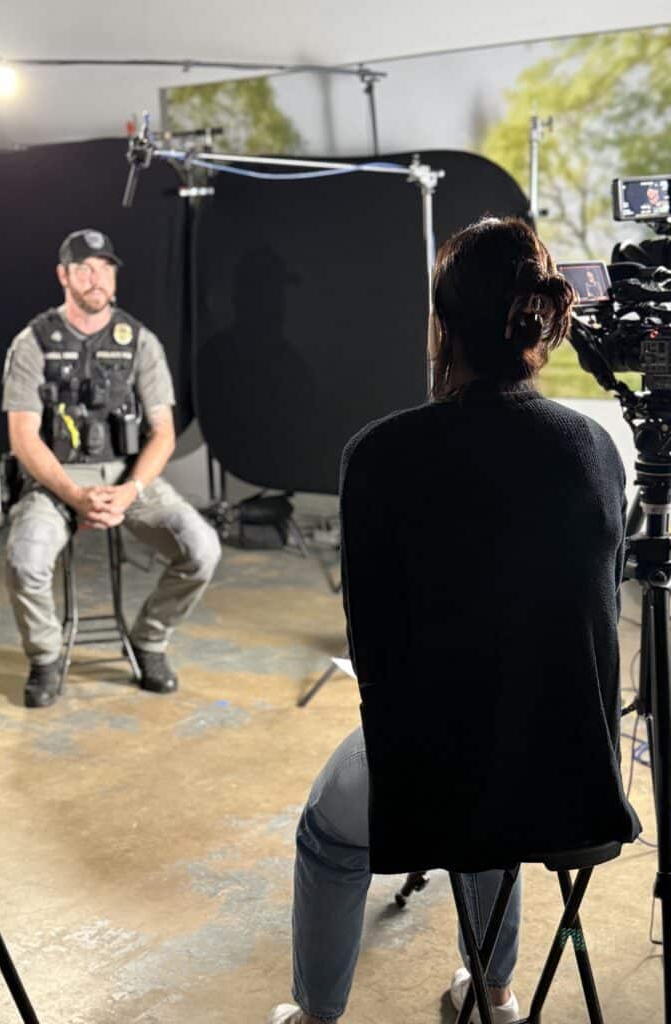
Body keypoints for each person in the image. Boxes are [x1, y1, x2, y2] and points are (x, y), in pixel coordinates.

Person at [268, 217, 640, 1023]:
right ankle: (496, 993)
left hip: (443, 778)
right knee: (497, 779)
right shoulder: (597, 448)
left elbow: (375, 649)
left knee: (330, 833)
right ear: (539, 323)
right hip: (574, 775)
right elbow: (599, 611)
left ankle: (317, 1015)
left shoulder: (380, 453)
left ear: (443, 324)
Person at [3, 228, 221, 709]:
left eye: (105, 268)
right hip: (55, 478)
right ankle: (45, 657)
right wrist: (73, 496)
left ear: (115, 277)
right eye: (84, 268)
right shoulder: (33, 342)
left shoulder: (139, 342)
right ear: (63, 276)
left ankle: (150, 640)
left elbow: (163, 432)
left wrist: (131, 490)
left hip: (127, 476)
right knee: (25, 561)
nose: (96, 278)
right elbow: (23, 437)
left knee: (202, 549)